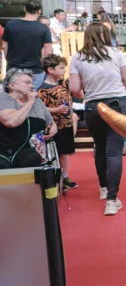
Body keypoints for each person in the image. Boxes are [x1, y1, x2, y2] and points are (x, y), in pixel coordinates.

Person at [69, 23, 126, 216]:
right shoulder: (116, 53)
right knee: (114, 151)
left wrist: (87, 93)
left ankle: (104, 188)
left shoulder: (78, 57)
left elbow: (74, 88)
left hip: (92, 106)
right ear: (106, 35)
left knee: (99, 146)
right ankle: (112, 200)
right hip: (116, 103)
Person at [0, 68, 56, 169]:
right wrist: (29, 103)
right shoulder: (3, 98)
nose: (32, 86)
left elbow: (50, 122)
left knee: (32, 158)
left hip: (29, 150)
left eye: (32, 83)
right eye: (27, 83)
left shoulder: (37, 102)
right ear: (12, 85)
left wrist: (52, 129)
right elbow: (11, 122)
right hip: (4, 150)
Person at [37, 55, 77, 188]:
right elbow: (40, 108)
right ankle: (56, 175)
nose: (63, 70)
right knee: (55, 152)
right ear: (50, 69)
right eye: (61, 68)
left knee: (66, 152)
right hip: (53, 125)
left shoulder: (64, 84)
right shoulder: (43, 88)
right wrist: (55, 110)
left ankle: (65, 176)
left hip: (66, 124)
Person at [2, 0, 53, 90]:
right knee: (31, 97)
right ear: (39, 11)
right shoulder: (44, 28)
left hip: (13, 68)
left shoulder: (11, 24)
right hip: (35, 70)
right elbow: (48, 51)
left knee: (12, 97)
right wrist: (44, 66)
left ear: (24, 9)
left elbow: (4, 46)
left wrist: (9, 60)